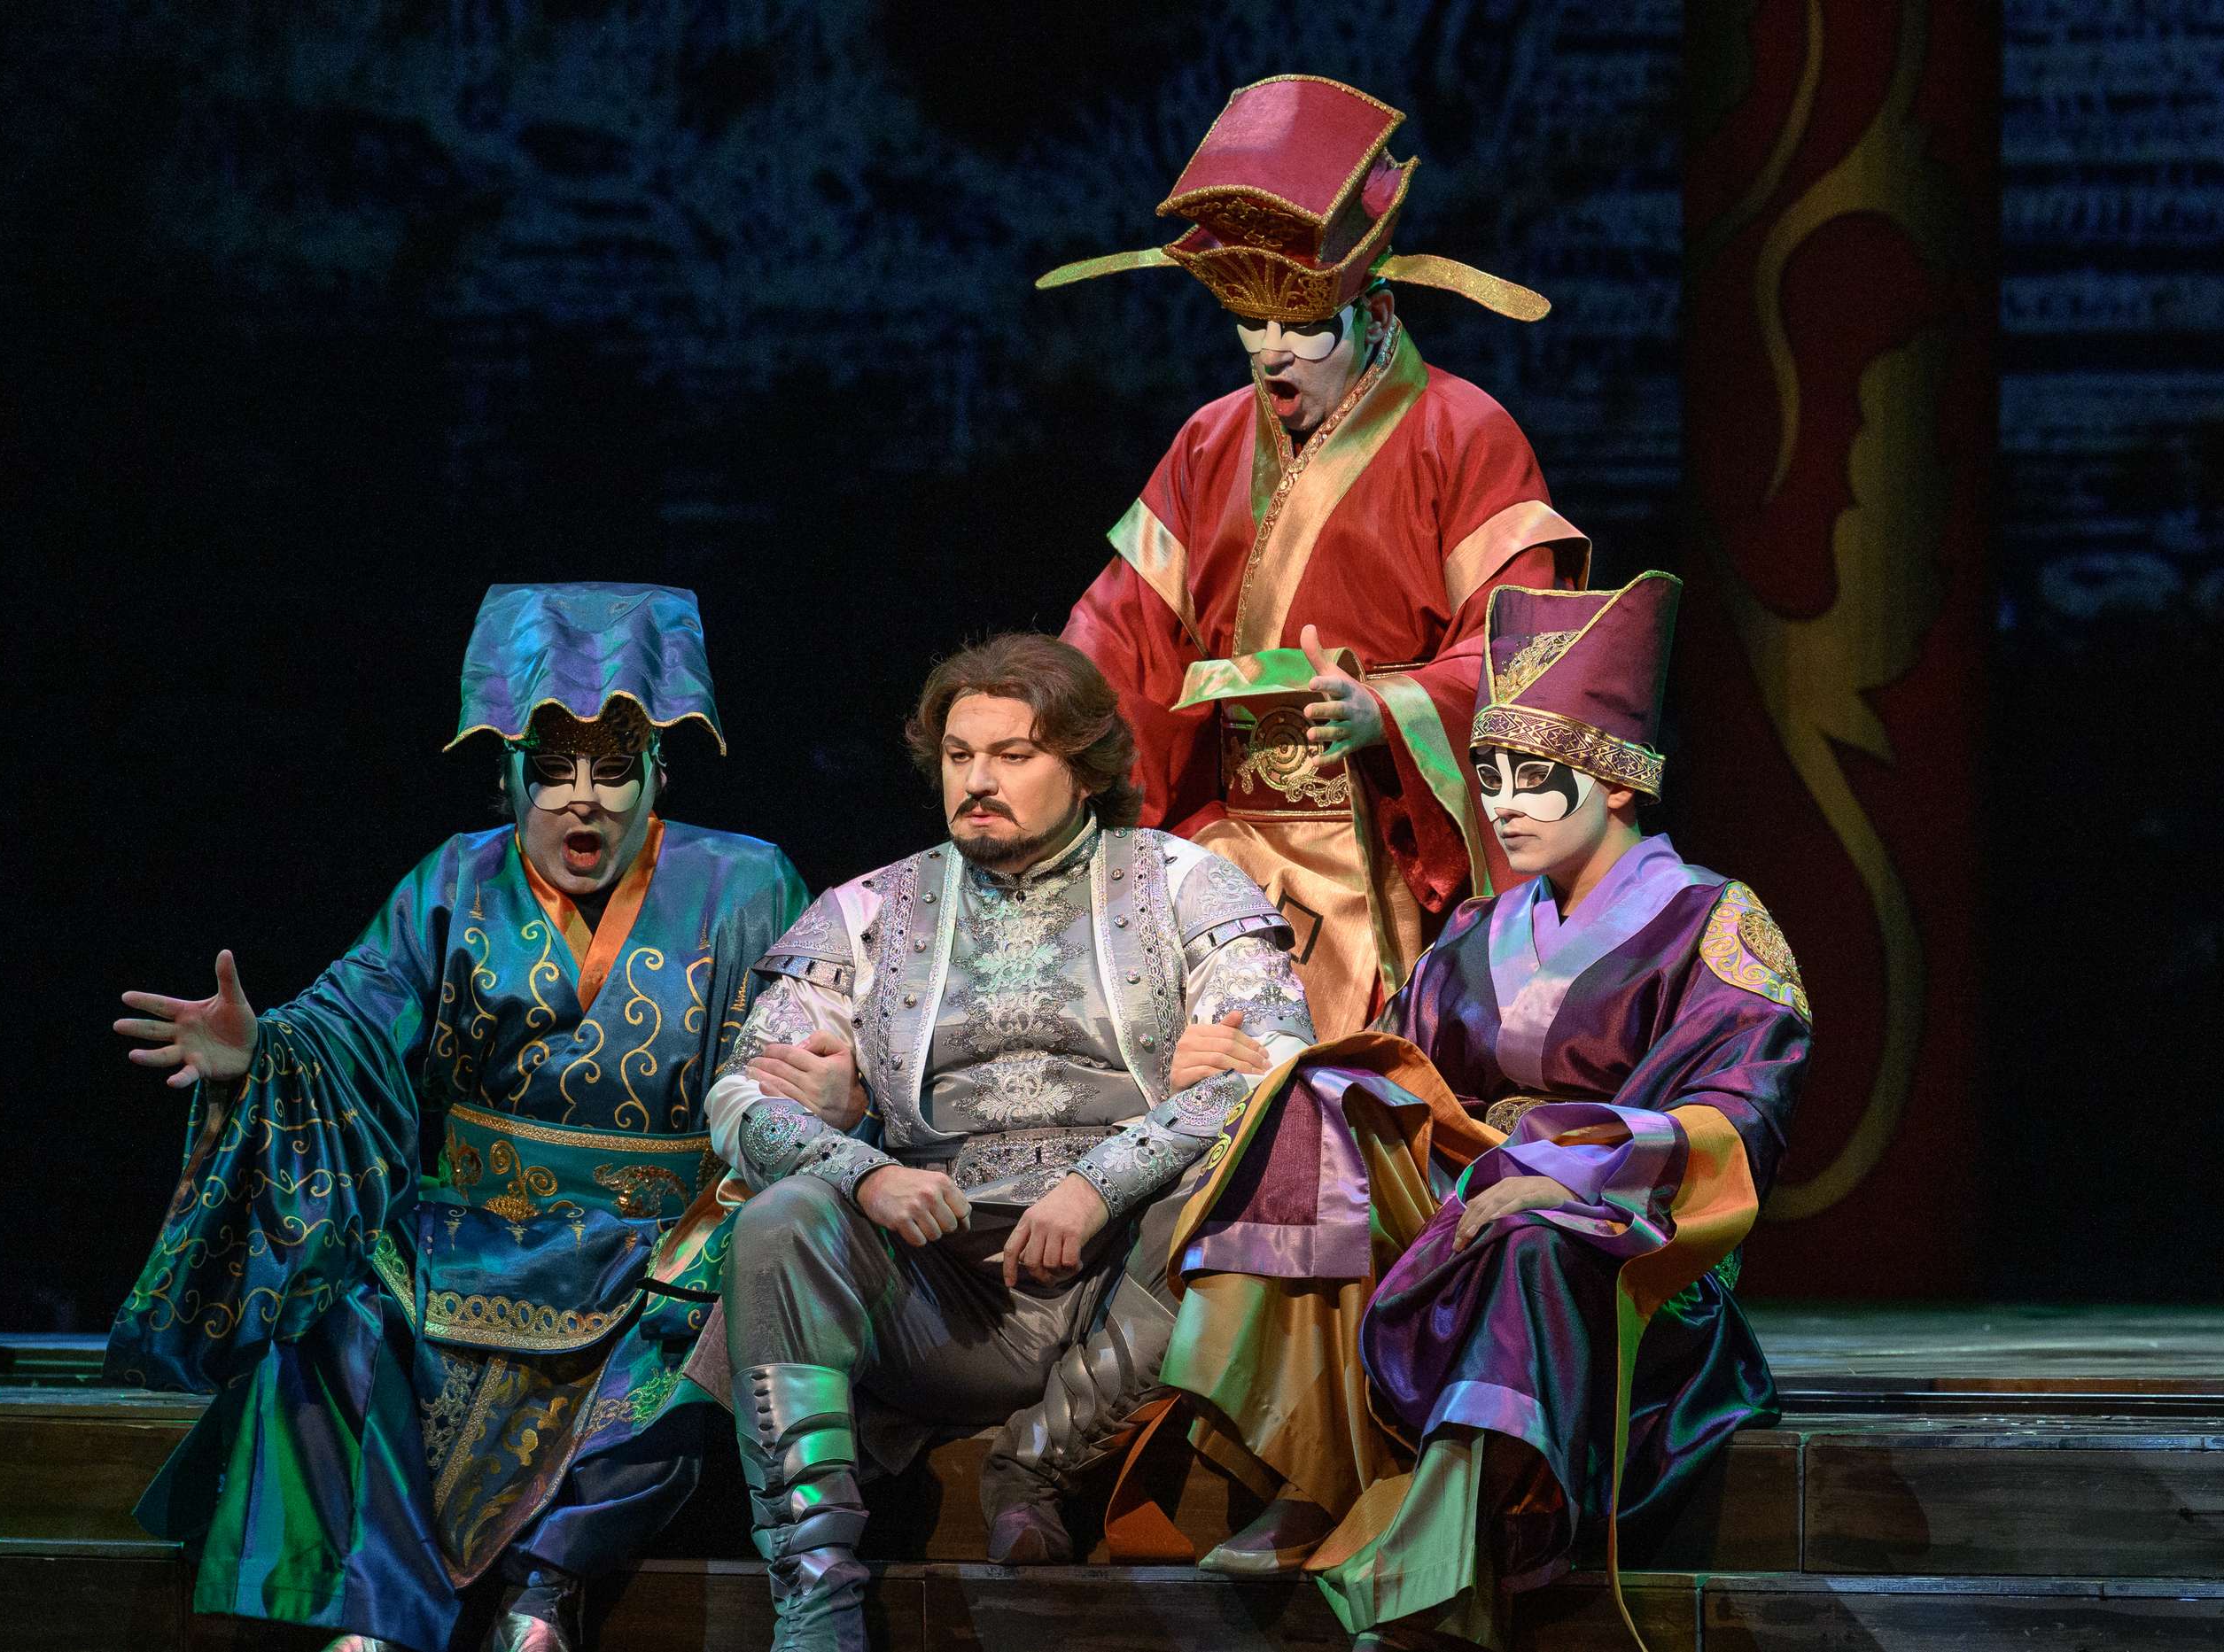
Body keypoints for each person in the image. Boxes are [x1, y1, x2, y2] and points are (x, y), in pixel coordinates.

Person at [105, 584, 818, 1652]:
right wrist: (266, 1049)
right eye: (554, 770)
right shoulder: (453, 879)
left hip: (658, 1248)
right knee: (336, 1322)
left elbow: (794, 1056)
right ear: (508, 776)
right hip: (468, 1235)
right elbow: (352, 1018)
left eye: (614, 768)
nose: (585, 801)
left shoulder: (747, 882)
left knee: (694, 1351)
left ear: (659, 772)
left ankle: (545, 1587)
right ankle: (377, 1618)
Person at [1156, 573, 1808, 1650]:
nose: (1500, 802)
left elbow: (1739, 1114)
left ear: (1618, 781)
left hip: (1620, 1241)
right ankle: (1311, 1464)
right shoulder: (1475, 929)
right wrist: (1267, 1062)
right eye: (1490, 774)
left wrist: (1549, 1173)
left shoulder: (1715, 921)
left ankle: (1441, 1548)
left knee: (1527, 1239)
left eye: (1532, 777)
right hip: (1464, 1204)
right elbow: (1399, 1072)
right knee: (1314, 1100)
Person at [693, 633, 1316, 1650]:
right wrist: (866, 1171)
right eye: (958, 755)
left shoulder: (1186, 883)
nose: (977, 780)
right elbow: (738, 1099)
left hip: (1126, 1271)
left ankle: (1035, 1464)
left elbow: (1276, 1062)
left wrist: (1096, 1183)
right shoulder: (866, 909)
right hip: (939, 1290)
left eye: (1013, 754)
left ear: (1087, 768)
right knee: (782, 1217)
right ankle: (812, 1586)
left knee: (1249, 1168)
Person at [1041, 73, 1592, 1038]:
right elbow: (1124, 630)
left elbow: (1522, 651)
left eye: (1303, 327)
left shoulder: (1462, 433)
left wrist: (1394, 708)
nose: (1272, 353)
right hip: (1221, 844)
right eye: (1251, 327)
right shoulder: (1209, 440)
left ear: (1374, 312)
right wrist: (1045, 721)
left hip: (1390, 841)